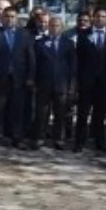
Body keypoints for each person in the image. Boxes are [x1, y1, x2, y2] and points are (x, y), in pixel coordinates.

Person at [0, 6, 36, 150]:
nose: (10, 19)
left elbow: (31, 57)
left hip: (19, 78)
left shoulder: (25, 35)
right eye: (7, 16)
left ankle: (17, 137)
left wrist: (31, 76)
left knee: (18, 109)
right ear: (2, 18)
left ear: (17, 18)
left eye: (13, 16)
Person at [74, 9, 106, 152]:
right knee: (82, 113)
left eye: (103, 16)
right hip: (87, 81)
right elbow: (78, 59)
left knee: (100, 113)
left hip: (104, 82)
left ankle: (100, 142)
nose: (100, 19)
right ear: (93, 18)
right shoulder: (84, 34)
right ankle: (79, 142)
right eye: (97, 16)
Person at [32, 16, 75, 150]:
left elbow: (73, 66)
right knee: (42, 113)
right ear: (48, 27)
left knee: (60, 114)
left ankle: (59, 139)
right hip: (43, 84)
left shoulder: (68, 43)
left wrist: (71, 86)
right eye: (52, 26)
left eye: (57, 26)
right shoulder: (39, 43)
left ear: (62, 28)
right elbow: (35, 65)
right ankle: (40, 137)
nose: (54, 28)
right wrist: (33, 82)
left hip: (61, 85)